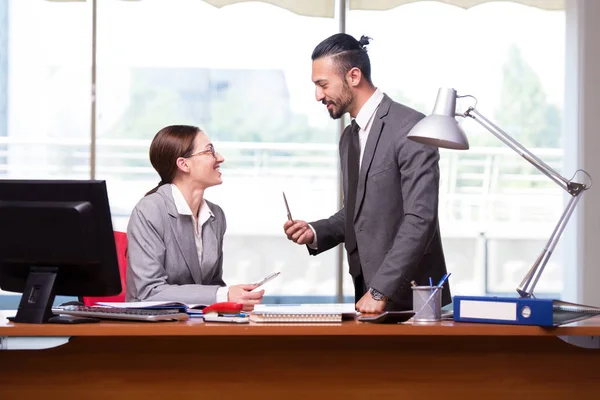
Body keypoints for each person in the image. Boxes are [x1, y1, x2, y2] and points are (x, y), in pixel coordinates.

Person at [283, 34, 450, 313]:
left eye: (323, 85)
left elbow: (421, 218)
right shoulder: (349, 137)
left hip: (414, 300)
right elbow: (358, 212)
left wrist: (380, 289)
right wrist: (314, 231)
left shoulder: (411, 127)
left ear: (354, 76)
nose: (318, 96)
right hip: (367, 294)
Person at [127, 125, 264, 310]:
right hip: (152, 328)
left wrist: (235, 301)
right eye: (210, 151)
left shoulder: (216, 215)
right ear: (184, 164)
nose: (220, 158)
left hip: (196, 325)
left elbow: (211, 284)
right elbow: (149, 292)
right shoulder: (149, 210)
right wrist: (222, 295)